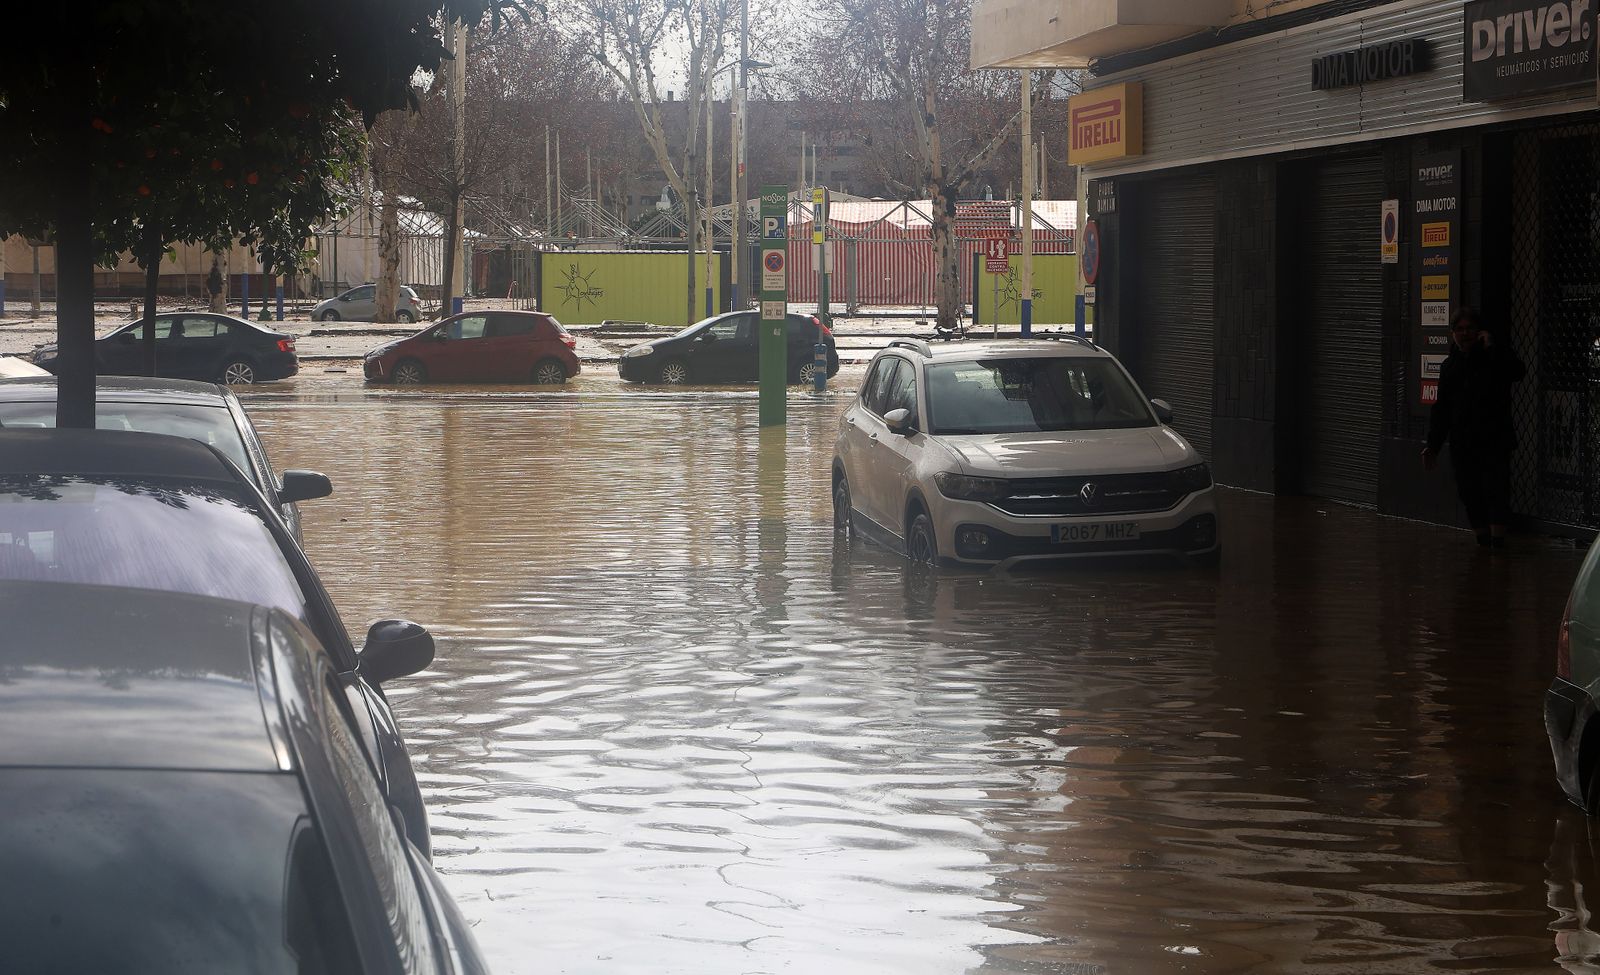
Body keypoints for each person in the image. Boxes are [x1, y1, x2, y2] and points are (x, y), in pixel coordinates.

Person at [1422, 307, 1526, 548]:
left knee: (1496, 488)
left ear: (1479, 331)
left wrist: (1492, 348)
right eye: (1459, 329)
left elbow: (1517, 371)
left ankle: (1498, 544)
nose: (1465, 333)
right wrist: (1433, 446)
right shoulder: (1449, 366)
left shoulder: (1494, 358)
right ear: (1453, 333)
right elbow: (1442, 409)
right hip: (1463, 442)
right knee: (1468, 491)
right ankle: (1482, 540)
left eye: (1470, 328)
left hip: (1494, 438)